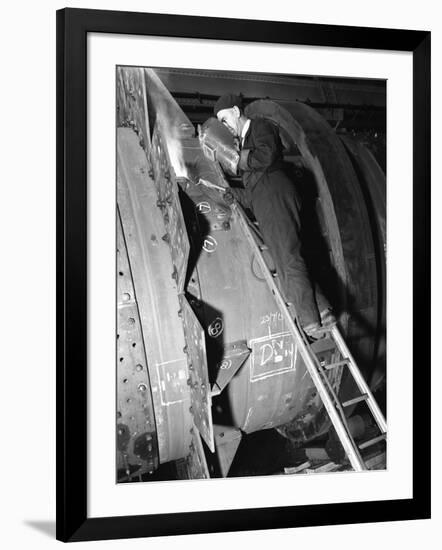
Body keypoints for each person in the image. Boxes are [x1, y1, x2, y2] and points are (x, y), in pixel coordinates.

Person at [213, 93, 334, 338]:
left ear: (236, 111)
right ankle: (323, 310)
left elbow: (267, 157)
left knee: (288, 257)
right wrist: (230, 194)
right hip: (265, 200)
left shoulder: (260, 127)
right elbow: (253, 191)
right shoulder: (245, 144)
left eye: (224, 119)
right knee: (285, 256)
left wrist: (236, 161)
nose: (224, 126)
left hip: (277, 194)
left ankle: (311, 321)